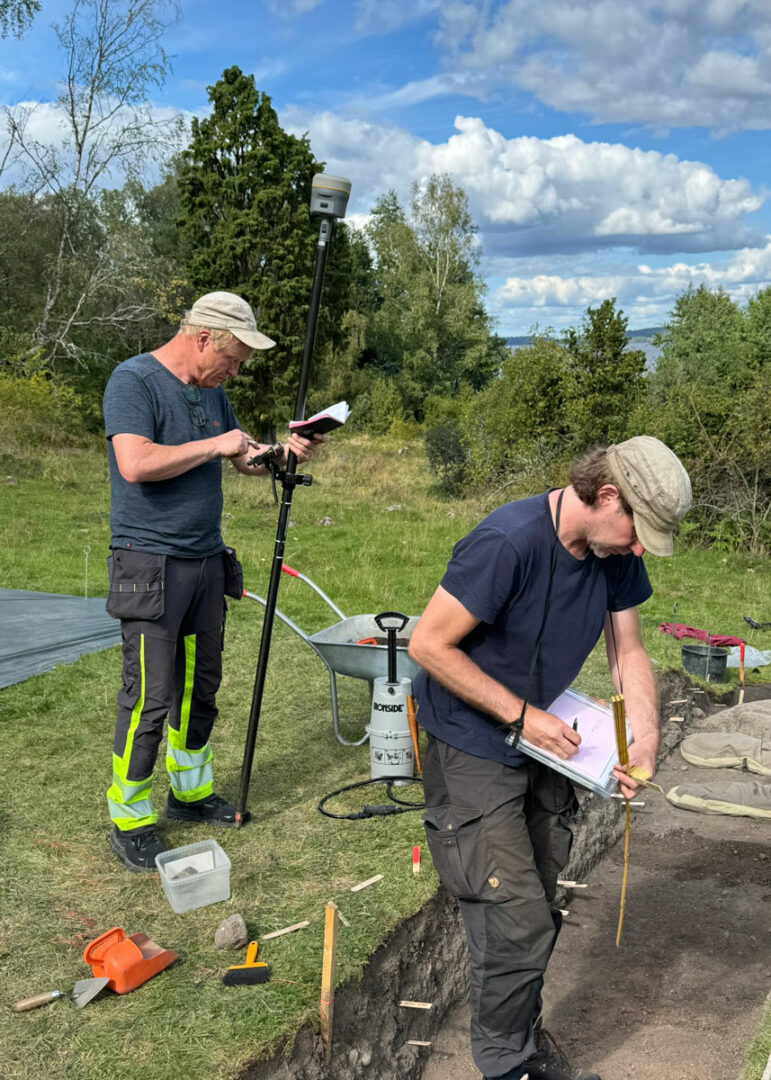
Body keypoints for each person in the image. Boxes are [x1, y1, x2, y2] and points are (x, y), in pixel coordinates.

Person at [408, 437, 692, 1080]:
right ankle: (507, 1065)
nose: (640, 548)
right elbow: (428, 644)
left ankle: (521, 1039)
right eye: (638, 530)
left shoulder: (612, 554)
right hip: (472, 741)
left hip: (548, 746)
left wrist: (642, 736)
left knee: (534, 903)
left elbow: (628, 651)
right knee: (515, 919)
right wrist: (522, 716)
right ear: (608, 496)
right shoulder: (508, 542)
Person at [103, 291, 320, 873]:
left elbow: (241, 457)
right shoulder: (134, 382)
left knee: (201, 686)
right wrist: (215, 445)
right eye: (233, 358)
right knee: (150, 695)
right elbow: (135, 463)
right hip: (149, 565)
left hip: (204, 561)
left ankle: (190, 793)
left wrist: (281, 450)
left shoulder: (210, 393)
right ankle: (129, 817)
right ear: (203, 338)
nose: (235, 370)